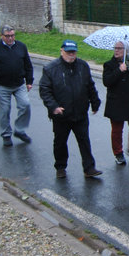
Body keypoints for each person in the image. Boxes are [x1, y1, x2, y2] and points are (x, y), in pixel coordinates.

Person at [39, 40, 102, 179]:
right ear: (61, 51)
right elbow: (45, 90)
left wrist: (95, 102)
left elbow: (89, 85)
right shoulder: (51, 68)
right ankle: (60, 167)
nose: (71, 55)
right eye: (68, 52)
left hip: (80, 112)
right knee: (60, 142)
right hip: (61, 114)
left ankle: (89, 168)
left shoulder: (83, 66)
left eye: (73, 52)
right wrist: (53, 107)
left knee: (84, 140)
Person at [0, 25, 34, 147]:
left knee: (25, 105)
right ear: (1, 36)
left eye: (12, 35)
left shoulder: (21, 46)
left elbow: (28, 65)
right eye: (7, 36)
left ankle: (20, 130)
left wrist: (29, 81)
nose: (10, 38)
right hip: (2, 86)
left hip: (19, 84)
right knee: (5, 110)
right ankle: (6, 135)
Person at [102, 40, 129, 165]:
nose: (117, 50)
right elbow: (107, 81)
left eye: (120, 48)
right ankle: (118, 153)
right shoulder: (109, 65)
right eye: (115, 48)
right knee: (117, 130)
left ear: (126, 51)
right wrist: (119, 70)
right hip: (116, 103)